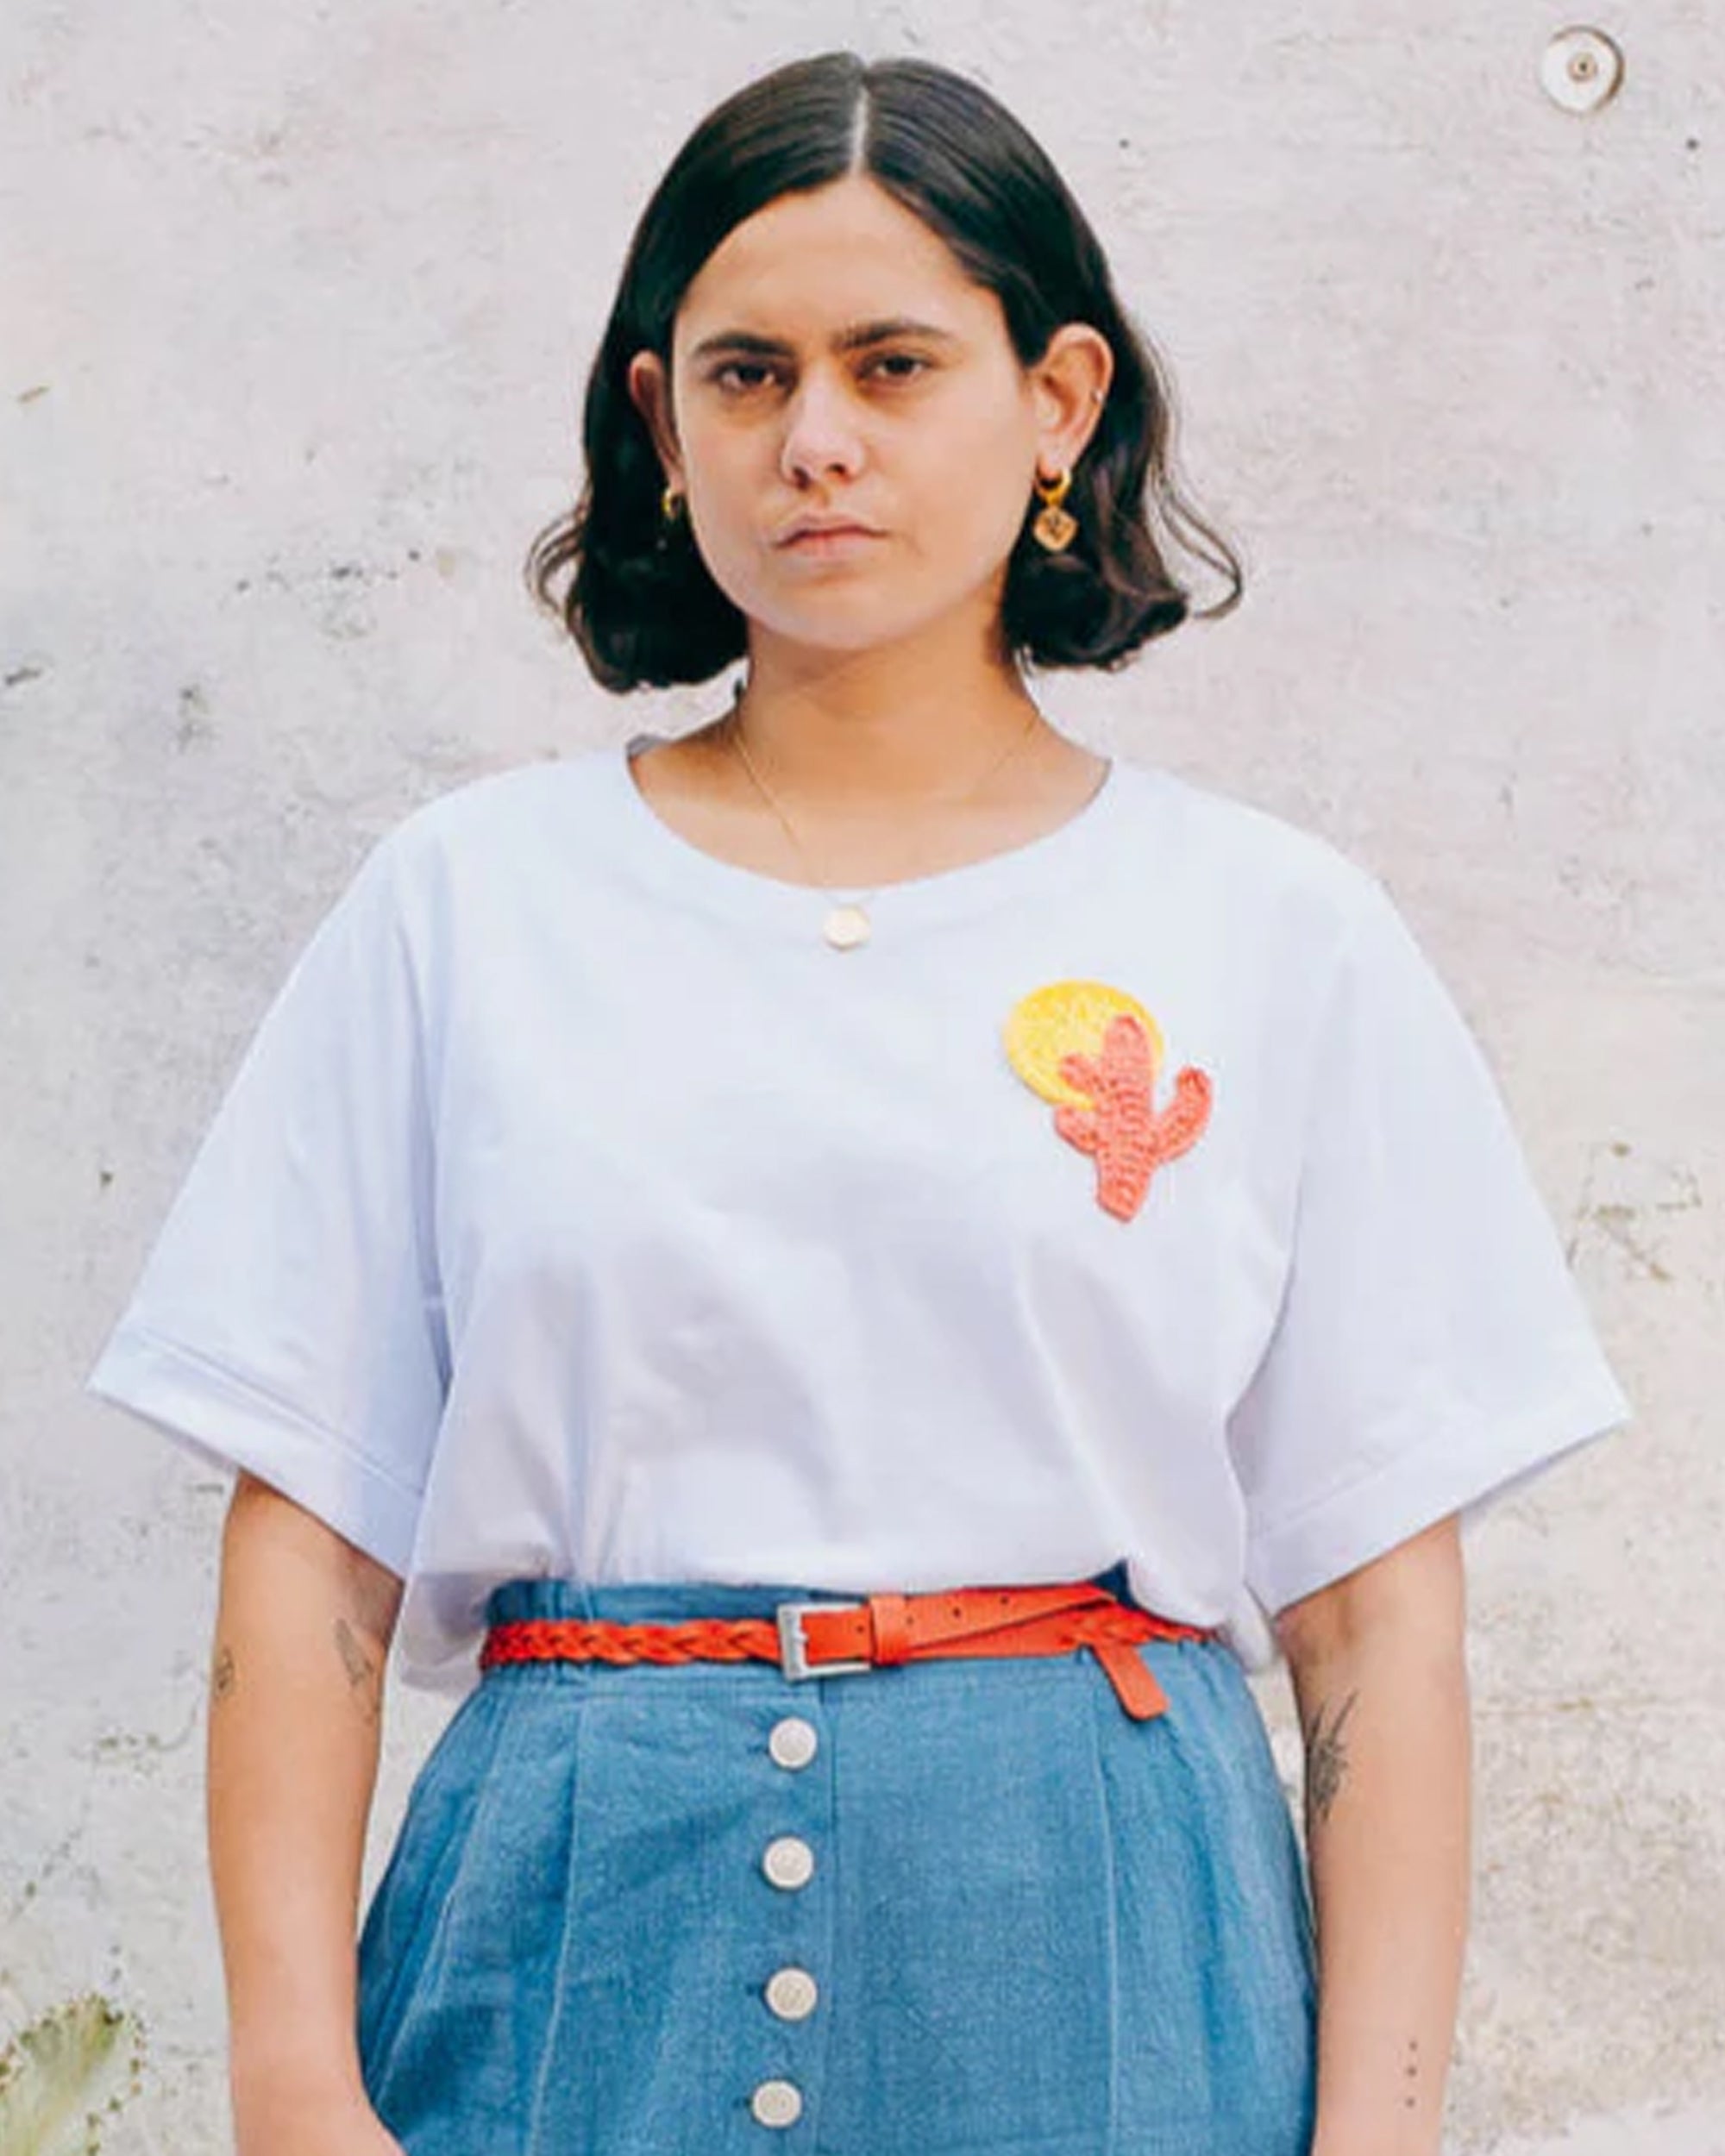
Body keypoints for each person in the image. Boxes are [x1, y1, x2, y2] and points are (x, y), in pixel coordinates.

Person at [86, 48, 1630, 2156]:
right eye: (744, 375)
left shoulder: (1266, 930)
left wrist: (1379, 2134)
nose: (815, 441)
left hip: (1095, 1954)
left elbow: (1374, 1625)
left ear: (1056, 399)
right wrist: (291, 2083)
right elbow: (313, 1543)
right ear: (661, 423)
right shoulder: (469, 906)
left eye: (893, 364)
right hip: (559, 1953)